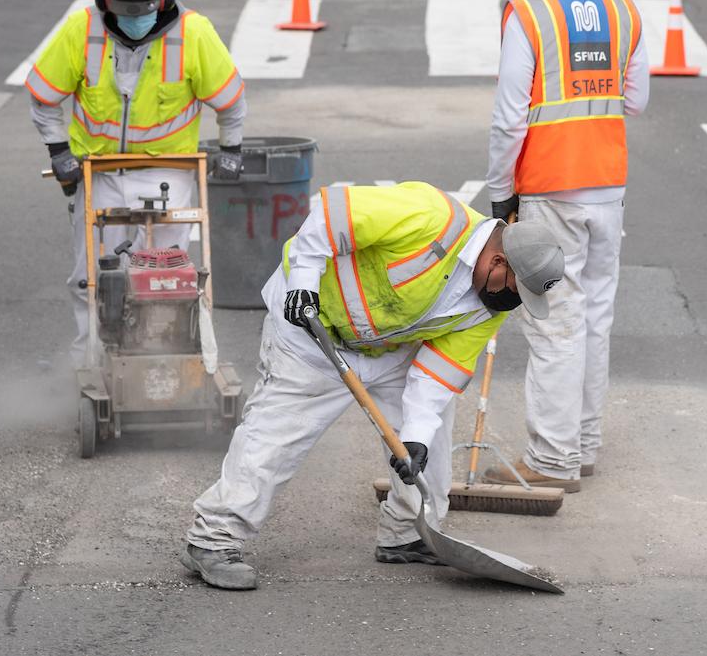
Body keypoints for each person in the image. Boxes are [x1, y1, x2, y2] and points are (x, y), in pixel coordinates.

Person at [180, 182, 564, 590]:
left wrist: (415, 436)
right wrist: (304, 279)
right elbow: (332, 214)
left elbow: (438, 373)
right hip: (311, 330)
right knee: (276, 436)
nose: (512, 303)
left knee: (429, 440)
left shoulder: (490, 305)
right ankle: (213, 539)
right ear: (498, 260)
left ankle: (407, 532)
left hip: (388, 346)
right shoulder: (432, 216)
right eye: (514, 290)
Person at [483, 0, 650, 493]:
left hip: (551, 188)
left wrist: (501, 192)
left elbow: (509, 116)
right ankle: (583, 444)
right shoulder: (624, 11)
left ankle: (552, 460)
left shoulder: (529, 16)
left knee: (554, 320)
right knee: (595, 318)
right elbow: (636, 99)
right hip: (608, 187)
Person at [25, 0, 247, 367]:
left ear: (160, 2)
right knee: (92, 277)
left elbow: (231, 102)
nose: (134, 22)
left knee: (167, 276)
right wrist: (58, 152)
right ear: (107, 3)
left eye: (141, 14)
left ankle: (168, 359)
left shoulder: (193, 33)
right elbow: (43, 97)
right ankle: (91, 361)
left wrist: (231, 151)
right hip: (100, 170)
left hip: (169, 170)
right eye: (124, 14)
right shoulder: (82, 30)